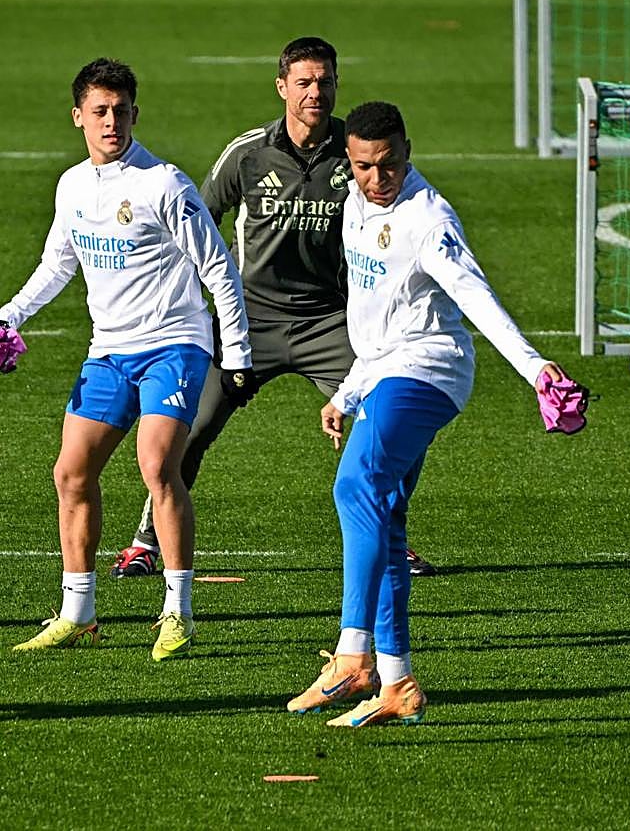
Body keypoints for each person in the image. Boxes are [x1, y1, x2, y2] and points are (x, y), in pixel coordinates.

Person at [286, 101, 583, 726]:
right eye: (364, 166)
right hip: (385, 371)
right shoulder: (353, 206)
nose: (378, 178)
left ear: (408, 152)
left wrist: (536, 368)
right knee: (386, 517)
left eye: (389, 164)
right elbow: (377, 323)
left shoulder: (429, 219)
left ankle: (353, 654)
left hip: (430, 370)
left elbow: (476, 295)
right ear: (349, 162)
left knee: (355, 486)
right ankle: (396, 682)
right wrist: (346, 392)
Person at [108, 37, 438, 580]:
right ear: (282, 86)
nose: (315, 92)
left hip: (330, 322)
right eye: (304, 82)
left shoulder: (356, 154)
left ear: (337, 85)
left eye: (325, 81)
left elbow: (402, 219)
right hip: (248, 321)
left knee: (388, 417)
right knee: (190, 427)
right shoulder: (249, 152)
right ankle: (146, 541)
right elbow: (196, 217)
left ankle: (388, 538)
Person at [0, 58, 253, 660]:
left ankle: (178, 612)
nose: (111, 122)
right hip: (109, 350)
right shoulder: (72, 186)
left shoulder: (163, 184)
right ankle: (78, 612)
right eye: (100, 112)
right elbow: (58, 262)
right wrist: (8, 315)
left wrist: (237, 352)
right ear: (78, 117)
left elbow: (217, 267)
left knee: (157, 464)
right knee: (70, 472)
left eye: (120, 111)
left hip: (174, 343)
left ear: (135, 114)